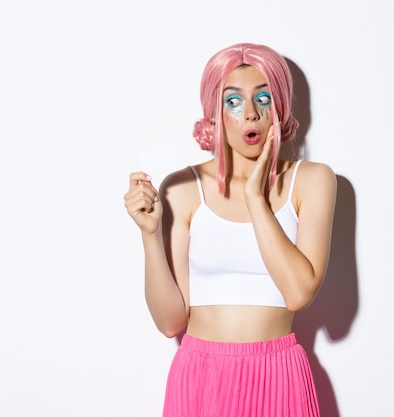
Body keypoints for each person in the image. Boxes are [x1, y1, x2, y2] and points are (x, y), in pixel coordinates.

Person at [124, 42, 336, 417]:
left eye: (264, 98)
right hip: (200, 376)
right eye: (234, 101)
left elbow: (299, 294)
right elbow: (170, 322)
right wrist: (150, 235)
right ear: (216, 113)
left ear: (280, 106)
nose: (251, 115)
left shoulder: (313, 181)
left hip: (278, 375)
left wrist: (255, 197)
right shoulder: (183, 187)